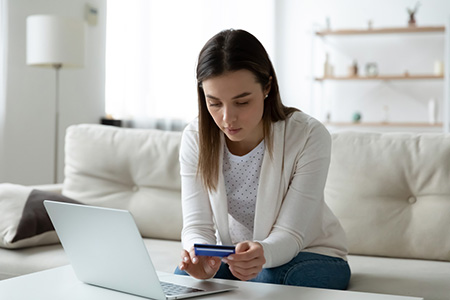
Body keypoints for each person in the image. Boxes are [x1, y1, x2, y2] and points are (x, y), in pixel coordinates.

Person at [175, 29, 351, 290]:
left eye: (242, 102)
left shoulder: (307, 135)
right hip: (236, 258)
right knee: (183, 277)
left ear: (267, 86)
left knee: (270, 279)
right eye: (214, 103)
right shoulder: (196, 138)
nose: (227, 119)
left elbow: (291, 234)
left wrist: (262, 254)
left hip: (311, 254)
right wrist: (197, 254)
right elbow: (196, 226)